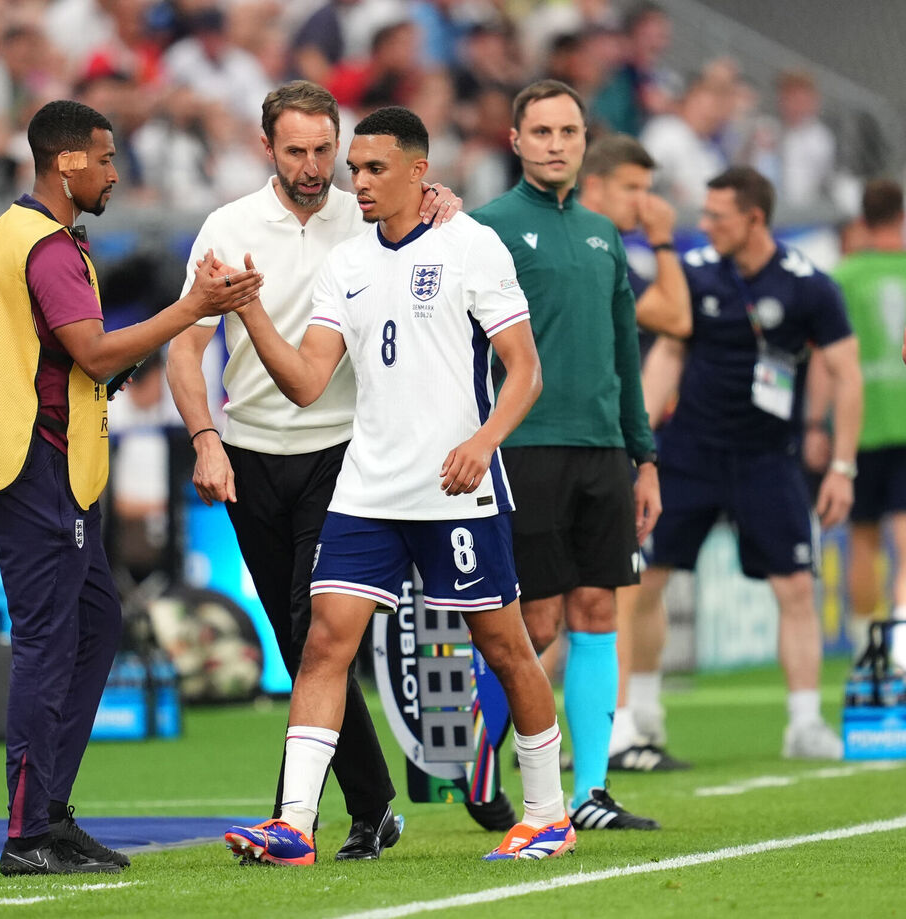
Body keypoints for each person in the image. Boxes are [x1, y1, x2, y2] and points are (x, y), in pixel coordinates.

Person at [222, 105, 573, 865]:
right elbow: (307, 382)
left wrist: (483, 441)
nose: (358, 181)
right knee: (323, 643)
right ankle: (294, 825)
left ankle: (548, 814)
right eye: (355, 169)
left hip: (455, 488)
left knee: (505, 646)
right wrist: (249, 309)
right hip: (367, 490)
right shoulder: (347, 263)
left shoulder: (471, 245)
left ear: (420, 172)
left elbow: (525, 370)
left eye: (375, 168)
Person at [0, 99, 261, 876]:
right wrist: (190, 309)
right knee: (51, 641)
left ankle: (50, 813)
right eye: (107, 158)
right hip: (36, 461)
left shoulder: (0, 237)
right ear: (67, 163)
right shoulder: (48, 246)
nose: (116, 173)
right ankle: (28, 833)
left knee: (95, 621)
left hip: (13, 455)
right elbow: (90, 352)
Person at [166, 80, 464, 859]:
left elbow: (437, 229)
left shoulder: (366, 212)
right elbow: (185, 348)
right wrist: (205, 437)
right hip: (251, 454)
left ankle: (292, 816)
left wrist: (443, 203)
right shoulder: (228, 227)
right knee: (299, 640)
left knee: (315, 629)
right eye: (295, 150)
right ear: (266, 146)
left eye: (324, 150)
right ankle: (373, 803)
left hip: (345, 452)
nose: (312, 165)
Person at [470, 80, 662, 831]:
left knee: (598, 609)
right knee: (538, 622)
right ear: (515, 140)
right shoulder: (485, 228)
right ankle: (480, 766)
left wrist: (643, 456)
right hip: (524, 448)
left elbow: (625, 352)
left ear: (585, 142)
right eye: (542, 131)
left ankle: (592, 793)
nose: (556, 144)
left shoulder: (603, 233)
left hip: (603, 449)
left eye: (569, 132)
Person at [641, 166, 862, 759]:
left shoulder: (809, 286)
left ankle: (804, 724)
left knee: (796, 587)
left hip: (768, 458)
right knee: (644, 581)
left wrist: (842, 468)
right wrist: (638, 441)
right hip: (688, 453)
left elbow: (846, 373)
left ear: (755, 218)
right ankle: (640, 718)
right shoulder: (692, 273)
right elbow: (668, 353)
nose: (706, 224)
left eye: (718, 216)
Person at [577, 133, 692, 771]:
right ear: (594, 186)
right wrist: (665, 241)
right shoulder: (592, 248)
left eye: (649, 190)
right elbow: (678, 316)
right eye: (632, 188)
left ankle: (597, 732)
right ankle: (610, 733)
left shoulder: (607, 250)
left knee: (597, 593)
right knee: (594, 595)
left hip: (599, 440)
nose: (644, 203)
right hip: (575, 440)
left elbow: (674, 321)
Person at [827, 179, 906, 670]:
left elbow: (827, 360)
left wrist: (815, 425)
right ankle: (901, 644)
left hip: (858, 426)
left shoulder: (843, 276)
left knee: (862, 539)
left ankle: (865, 649)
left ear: (862, 220)